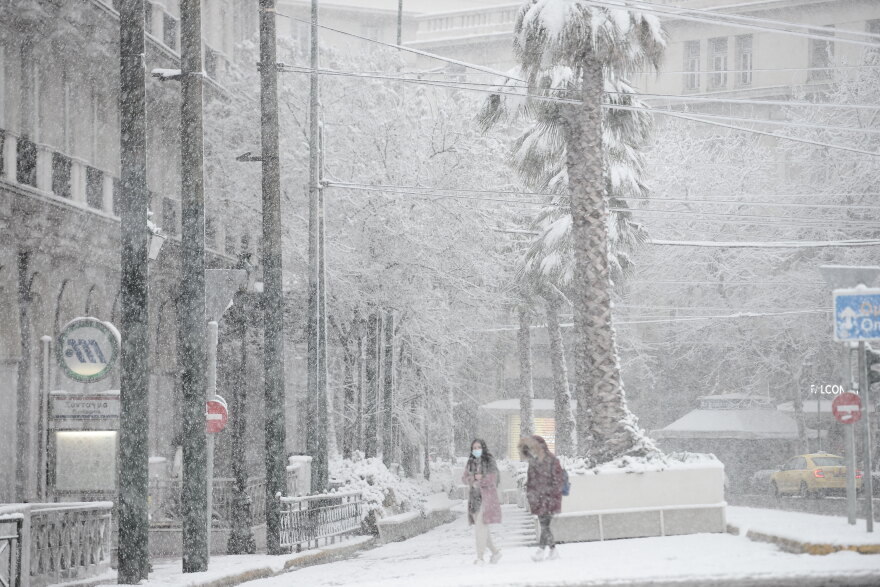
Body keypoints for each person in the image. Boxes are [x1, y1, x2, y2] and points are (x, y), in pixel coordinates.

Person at [519, 435, 564, 562]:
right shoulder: (533, 461)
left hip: (549, 499)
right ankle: (553, 550)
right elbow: (531, 481)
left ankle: (541, 550)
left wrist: (551, 495)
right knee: (545, 525)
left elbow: (558, 480)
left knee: (545, 525)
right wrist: (530, 494)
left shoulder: (552, 460)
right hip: (537, 499)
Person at [461, 439, 502, 565]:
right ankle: (496, 552)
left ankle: (480, 557)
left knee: (480, 527)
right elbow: (464, 478)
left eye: (479, 447)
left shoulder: (489, 460)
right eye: (474, 448)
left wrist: (481, 479)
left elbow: (494, 478)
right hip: (474, 500)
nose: (476, 450)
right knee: (483, 530)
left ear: (483, 448)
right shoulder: (470, 462)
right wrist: (473, 478)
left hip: (487, 498)